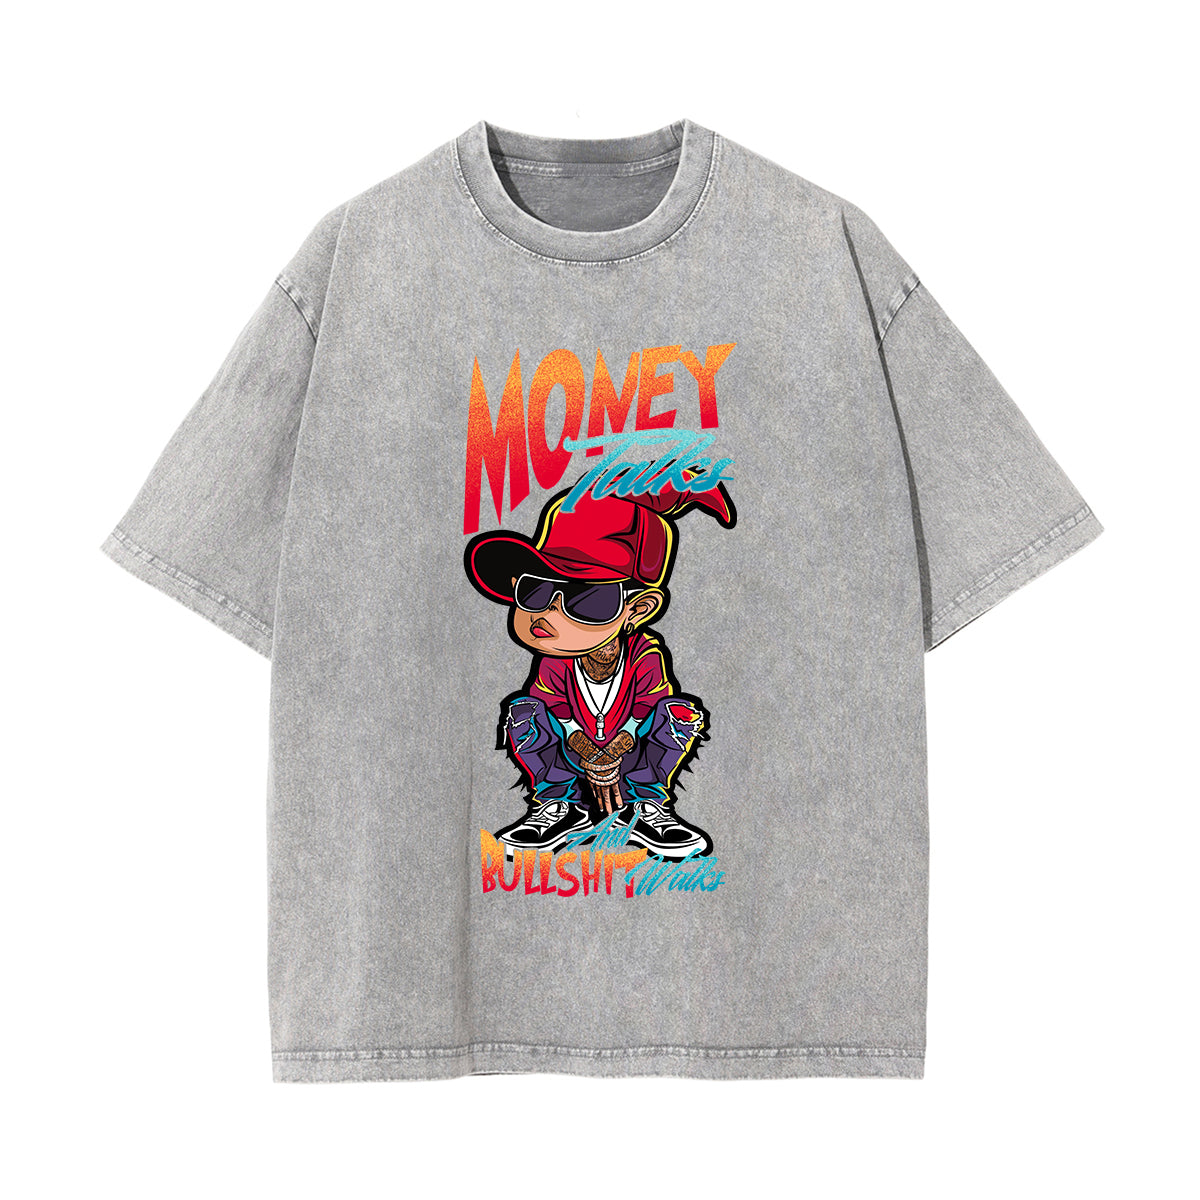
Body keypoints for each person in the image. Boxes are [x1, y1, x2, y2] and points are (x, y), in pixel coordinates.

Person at [464, 462, 735, 861]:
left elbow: (650, 706)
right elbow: (552, 707)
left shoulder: (645, 654)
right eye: (536, 589)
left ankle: (648, 805)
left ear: (638, 609)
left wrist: (614, 753)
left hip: (632, 762)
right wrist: (588, 753)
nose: (548, 614)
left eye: (587, 600)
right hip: (573, 761)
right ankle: (558, 805)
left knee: (680, 714)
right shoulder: (555, 658)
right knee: (522, 712)